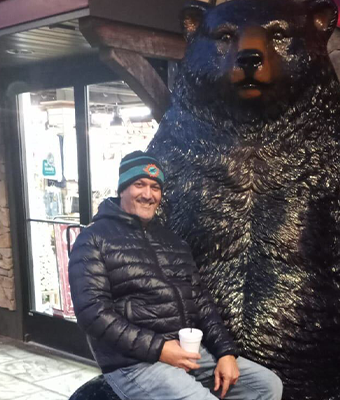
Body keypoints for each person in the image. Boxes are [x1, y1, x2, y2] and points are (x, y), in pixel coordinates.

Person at [69, 151, 283, 400]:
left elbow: (201, 300)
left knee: (267, 386)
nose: (148, 195)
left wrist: (225, 352)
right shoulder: (93, 239)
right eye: (139, 184)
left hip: (186, 351)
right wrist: (159, 349)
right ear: (122, 189)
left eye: (155, 187)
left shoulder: (172, 240)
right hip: (133, 363)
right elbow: (92, 314)